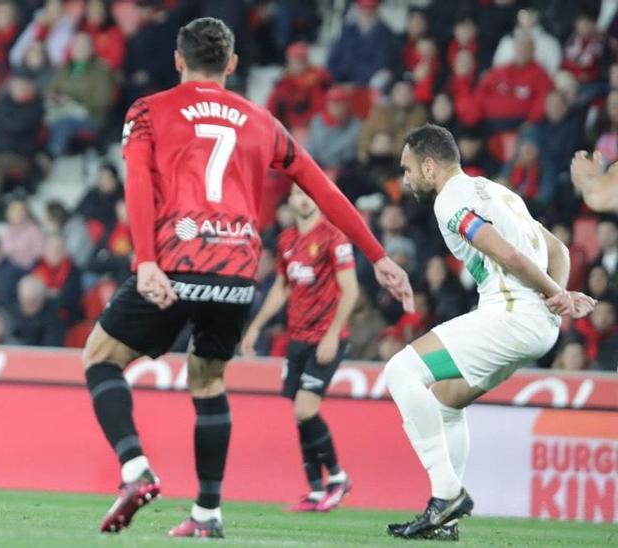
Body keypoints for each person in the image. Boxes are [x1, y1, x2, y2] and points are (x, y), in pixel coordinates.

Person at [83, 18, 413, 539]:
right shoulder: (262, 121)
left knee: (100, 359)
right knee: (209, 381)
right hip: (237, 275)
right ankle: (209, 513)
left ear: (178, 59)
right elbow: (324, 190)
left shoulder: (148, 111)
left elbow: (137, 184)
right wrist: (377, 256)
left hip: (175, 263)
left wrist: (145, 259)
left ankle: (135, 470)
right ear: (233, 64)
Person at [385, 124, 595, 539]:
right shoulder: (497, 191)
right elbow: (559, 249)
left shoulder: (450, 201)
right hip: (536, 322)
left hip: (511, 314)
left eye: (408, 169)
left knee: (400, 371)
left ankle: (446, 495)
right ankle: (447, 524)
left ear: (430, 166)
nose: (405, 178)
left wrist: (557, 294)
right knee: (446, 401)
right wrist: (558, 300)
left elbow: (508, 253)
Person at [240, 185, 359, 512]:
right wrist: (257, 325)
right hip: (298, 338)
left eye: (308, 193)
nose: (303, 198)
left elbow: (350, 290)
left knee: (306, 409)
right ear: (290, 201)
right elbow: (281, 287)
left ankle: (338, 477)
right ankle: (317, 490)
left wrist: (333, 334)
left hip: (326, 337)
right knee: (300, 414)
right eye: (296, 193)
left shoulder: (334, 238)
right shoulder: (286, 241)